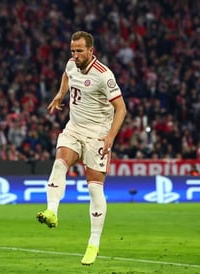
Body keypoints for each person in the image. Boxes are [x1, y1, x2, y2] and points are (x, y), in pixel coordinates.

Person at [36, 31, 127, 266]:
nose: (75, 55)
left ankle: (93, 243)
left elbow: (121, 109)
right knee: (59, 163)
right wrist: (60, 93)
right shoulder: (71, 64)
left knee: (94, 188)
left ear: (91, 51)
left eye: (79, 51)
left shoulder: (104, 76)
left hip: (97, 135)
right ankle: (51, 211)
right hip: (74, 128)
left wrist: (110, 136)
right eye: (72, 51)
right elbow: (66, 76)